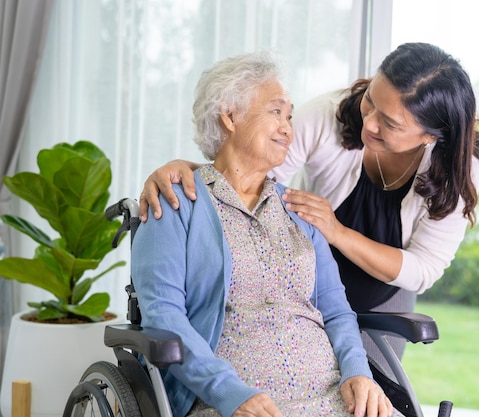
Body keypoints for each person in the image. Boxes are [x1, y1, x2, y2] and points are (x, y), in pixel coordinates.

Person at [139, 42, 479, 365]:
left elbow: (424, 268)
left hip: (383, 293)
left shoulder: (457, 168)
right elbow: (251, 169)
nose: (368, 123)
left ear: (431, 136)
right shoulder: (329, 115)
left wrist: (337, 232)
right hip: (302, 286)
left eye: (389, 123)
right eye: (370, 99)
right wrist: (185, 169)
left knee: (373, 394)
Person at [131, 51, 392, 417]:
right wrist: (229, 393)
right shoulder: (175, 205)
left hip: (332, 392)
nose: (288, 128)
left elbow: (336, 312)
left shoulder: (300, 211)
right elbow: (164, 317)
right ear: (230, 116)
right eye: (275, 112)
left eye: (290, 116)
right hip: (231, 401)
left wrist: (358, 373)